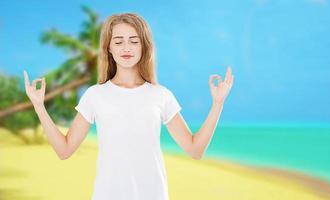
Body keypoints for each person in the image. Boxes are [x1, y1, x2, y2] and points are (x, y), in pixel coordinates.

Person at [23, 13, 234, 200]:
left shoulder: (160, 95)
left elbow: (195, 150)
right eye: (119, 41)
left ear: (144, 47)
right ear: (109, 48)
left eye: (134, 41)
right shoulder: (95, 95)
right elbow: (64, 150)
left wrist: (218, 103)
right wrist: (39, 106)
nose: (126, 48)